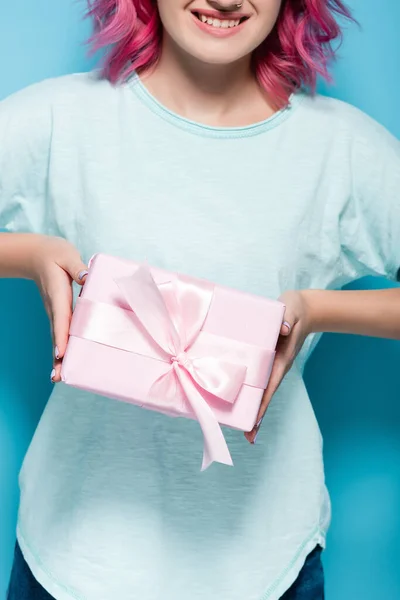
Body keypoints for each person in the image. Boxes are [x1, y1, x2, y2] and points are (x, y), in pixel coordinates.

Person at [1, 0, 399, 597]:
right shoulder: (63, 117)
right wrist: (26, 254)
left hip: (267, 562)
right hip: (75, 556)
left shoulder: (339, 146)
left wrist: (319, 311)